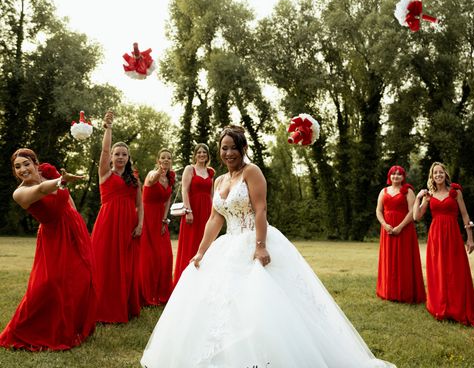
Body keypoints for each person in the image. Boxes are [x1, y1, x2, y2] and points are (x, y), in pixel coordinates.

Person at [141, 125, 396, 368]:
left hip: (253, 238)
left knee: (259, 302)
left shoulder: (252, 172)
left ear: (242, 149)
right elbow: (214, 218)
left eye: (233, 148)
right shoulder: (218, 182)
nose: (228, 153)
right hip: (228, 243)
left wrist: (260, 245)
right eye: (224, 148)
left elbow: (261, 209)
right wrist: (201, 251)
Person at [0, 149, 97, 350]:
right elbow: (42, 190)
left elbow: (66, 198)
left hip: (72, 226)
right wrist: (61, 180)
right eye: (17, 167)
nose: (22, 169)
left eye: (26, 164)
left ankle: (74, 326)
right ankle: (26, 327)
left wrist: (76, 220)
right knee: (49, 283)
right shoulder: (20, 193)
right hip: (53, 236)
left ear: (36, 163)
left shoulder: (48, 171)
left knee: (81, 277)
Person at [413, 162, 474, 326]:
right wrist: (418, 198)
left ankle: (457, 307)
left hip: (452, 235)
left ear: (445, 174)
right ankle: (441, 306)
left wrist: (470, 237)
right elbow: (416, 216)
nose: (438, 175)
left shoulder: (455, 192)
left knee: (455, 270)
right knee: (438, 270)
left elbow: (465, 216)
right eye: (435, 173)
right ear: (432, 176)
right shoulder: (429, 195)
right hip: (436, 236)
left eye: (440, 172)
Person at [92, 110, 143, 323]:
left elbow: (140, 205)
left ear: (128, 158)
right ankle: (100, 309)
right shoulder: (105, 173)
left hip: (127, 226)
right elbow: (104, 149)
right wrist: (108, 128)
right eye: (117, 154)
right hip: (107, 223)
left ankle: (123, 306)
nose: (120, 157)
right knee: (103, 264)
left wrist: (140, 225)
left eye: (124, 154)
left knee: (124, 267)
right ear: (111, 157)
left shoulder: (135, 180)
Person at [375, 165, 426, 304]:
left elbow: (412, 212)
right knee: (389, 260)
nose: (396, 176)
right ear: (389, 176)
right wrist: (385, 225)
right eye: (393, 174)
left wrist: (400, 227)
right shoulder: (383, 191)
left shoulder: (408, 191)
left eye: (399, 174)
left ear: (403, 177)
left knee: (403, 260)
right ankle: (388, 291)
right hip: (387, 230)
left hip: (404, 230)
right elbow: (379, 211)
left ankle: (404, 293)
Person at [173, 143, 214, 286]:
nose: (202, 155)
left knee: (206, 243)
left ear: (208, 155)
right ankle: (185, 283)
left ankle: (204, 282)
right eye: (199, 152)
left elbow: (212, 194)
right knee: (190, 243)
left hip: (208, 211)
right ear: (195, 155)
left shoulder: (211, 172)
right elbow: (184, 190)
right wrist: (188, 211)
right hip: (193, 210)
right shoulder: (190, 169)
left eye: (204, 152)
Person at [139, 149, 175, 306]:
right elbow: (152, 180)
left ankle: (161, 292)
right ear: (158, 160)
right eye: (162, 158)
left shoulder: (169, 179)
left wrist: (164, 219)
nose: (166, 160)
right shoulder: (151, 174)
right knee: (148, 256)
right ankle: (146, 293)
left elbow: (167, 201)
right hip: (147, 217)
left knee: (165, 256)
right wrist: (160, 170)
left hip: (160, 219)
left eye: (168, 158)